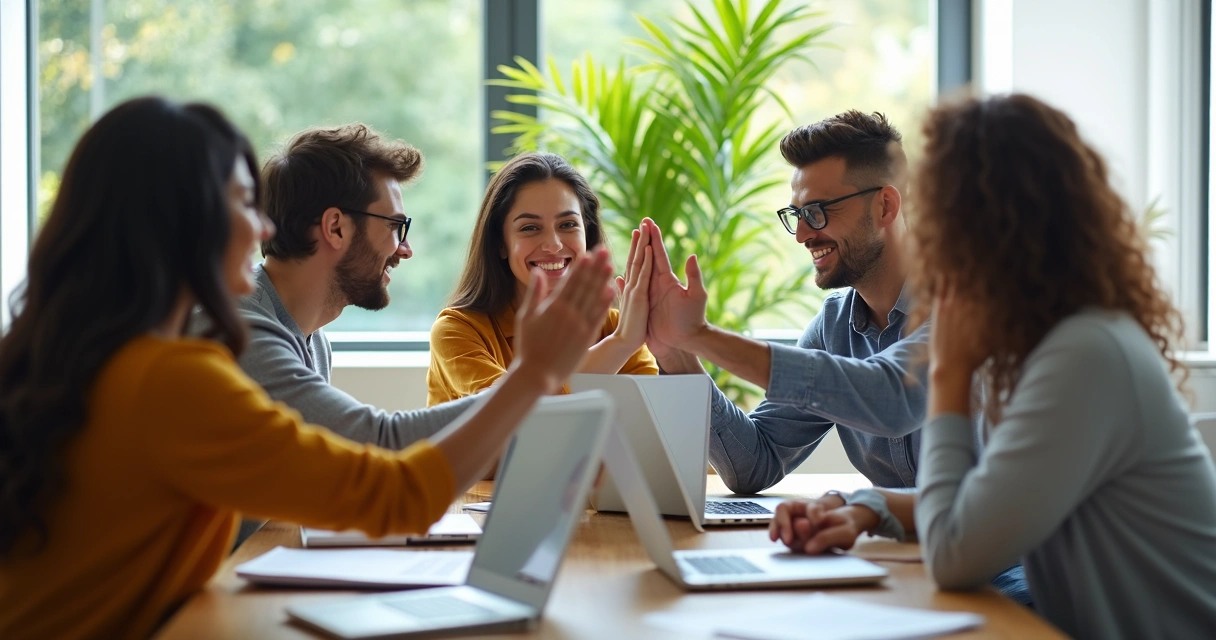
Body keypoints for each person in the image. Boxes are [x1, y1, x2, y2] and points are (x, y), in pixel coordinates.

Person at [0, 97, 615, 640]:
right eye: (244, 203)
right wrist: (533, 375)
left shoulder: (119, 356)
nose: (264, 226)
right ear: (189, 223)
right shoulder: (178, 373)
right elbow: (393, 488)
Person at [779, 93, 1216, 638]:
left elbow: (957, 555)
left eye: (935, 211)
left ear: (982, 225)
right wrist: (863, 505)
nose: (923, 232)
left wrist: (948, 377)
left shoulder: (1083, 355)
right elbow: (983, 503)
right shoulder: (1039, 343)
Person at [236, 124, 479, 450]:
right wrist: (528, 379)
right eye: (395, 226)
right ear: (335, 227)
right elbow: (376, 440)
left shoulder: (314, 341)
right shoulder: (241, 330)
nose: (405, 249)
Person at [427, 151, 657, 406]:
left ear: (587, 235)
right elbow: (511, 414)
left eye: (568, 224)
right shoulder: (457, 330)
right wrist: (620, 344)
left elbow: (653, 423)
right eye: (530, 228)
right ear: (500, 244)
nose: (553, 245)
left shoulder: (614, 326)